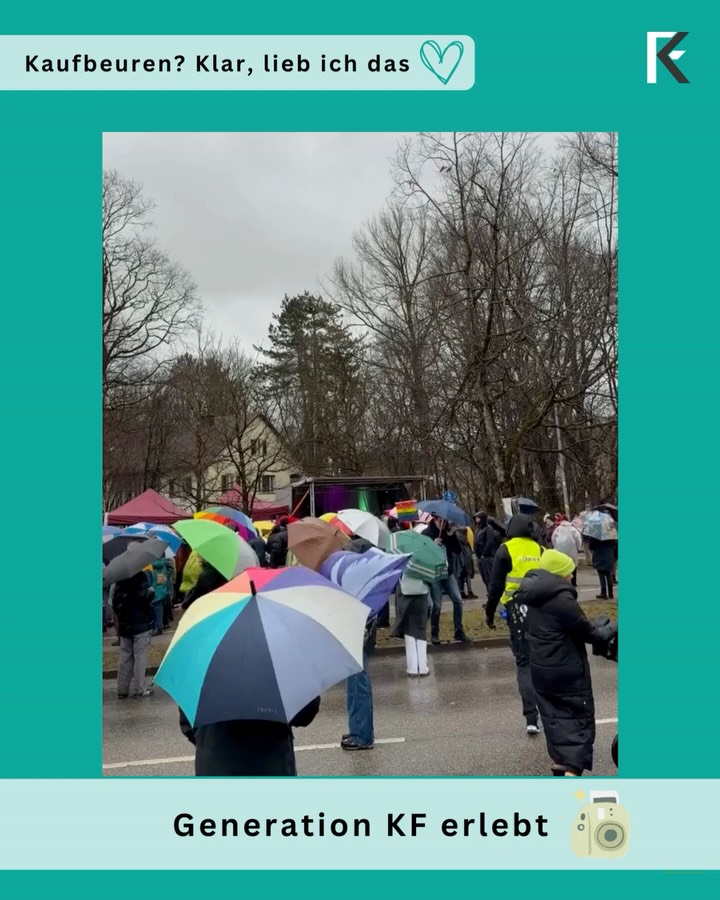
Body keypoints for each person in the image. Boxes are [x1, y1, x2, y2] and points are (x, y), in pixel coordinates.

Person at [521, 549, 617, 776]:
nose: (571, 577)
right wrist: (614, 625)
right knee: (576, 729)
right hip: (567, 673)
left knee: (556, 724)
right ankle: (570, 781)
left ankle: (560, 766)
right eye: (568, 573)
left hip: (543, 671)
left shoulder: (533, 595)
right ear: (559, 574)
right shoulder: (561, 599)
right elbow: (593, 635)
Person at [485, 513, 543, 733]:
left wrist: (489, 614)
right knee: (544, 662)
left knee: (524, 663)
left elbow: (495, 587)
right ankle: (549, 712)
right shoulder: (540, 550)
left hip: (517, 612)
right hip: (541, 610)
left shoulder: (505, 549)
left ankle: (531, 718)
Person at [179, 697, 321, 776]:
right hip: (271, 765)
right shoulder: (280, 655)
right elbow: (305, 712)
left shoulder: (200, 659)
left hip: (214, 764)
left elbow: (187, 723)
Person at [423, 516, 471, 644]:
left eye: (445, 521)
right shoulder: (426, 534)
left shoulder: (447, 533)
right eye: (440, 521)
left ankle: (459, 631)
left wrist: (451, 534)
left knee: (458, 600)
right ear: (434, 520)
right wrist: (433, 545)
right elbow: (421, 554)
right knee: (436, 606)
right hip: (435, 575)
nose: (443, 524)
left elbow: (458, 550)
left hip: (448, 573)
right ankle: (434, 633)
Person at [112, 570, 155, 699]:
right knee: (140, 656)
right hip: (141, 623)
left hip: (125, 624)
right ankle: (139, 688)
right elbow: (143, 597)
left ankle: (122, 689)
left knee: (125, 657)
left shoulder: (119, 580)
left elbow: (115, 603)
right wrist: (150, 593)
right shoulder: (140, 576)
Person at [341, 613, 377, 750]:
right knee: (359, 678)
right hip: (361, 623)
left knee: (356, 680)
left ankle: (361, 735)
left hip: (356, 624)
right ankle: (362, 731)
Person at [392, 569, 431, 676]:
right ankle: (423, 666)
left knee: (408, 628)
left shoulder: (402, 553)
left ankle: (412, 667)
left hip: (405, 591)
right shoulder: (426, 555)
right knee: (421, 628)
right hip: (421, 591)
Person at [474, 512, 502, 596]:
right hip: (480, 557)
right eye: (476, 518)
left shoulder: (488, 528)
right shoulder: (478, 529)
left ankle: (492, 595)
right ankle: (489, 593)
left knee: (489, 577)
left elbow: (489, 542)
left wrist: (484, 553)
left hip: (487, 556)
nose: (477, 520)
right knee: (484, 578)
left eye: (478, 518)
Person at [551, 515, 583, 586]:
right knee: (573, 564)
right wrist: (578, 548)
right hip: (572, 549)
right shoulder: (572, 529)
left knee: (562, 564)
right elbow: (578, 538)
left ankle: (563, 581)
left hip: (560, 549)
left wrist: (556, 546)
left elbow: (553, 538)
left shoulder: (558, 528)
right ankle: (573, 582)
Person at [149, 557, 171, 636]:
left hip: (157, 586)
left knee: (157, 607)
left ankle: (158, 627)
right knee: (157, 607)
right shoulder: (161, 561)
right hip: (159, 585)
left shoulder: (154, 562)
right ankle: (158, 626)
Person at [455, 527, 477, 599]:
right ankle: (469, 591)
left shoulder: (456, 534)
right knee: (466, 575)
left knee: (461, 575)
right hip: (466, 556)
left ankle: (462, 591)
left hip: (461, 557)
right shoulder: (467, 535)